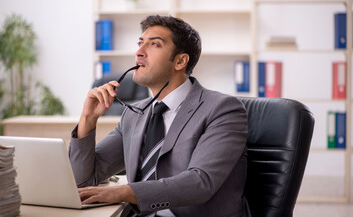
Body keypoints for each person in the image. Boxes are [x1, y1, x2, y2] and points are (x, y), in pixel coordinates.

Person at [69, 15, 251, 217]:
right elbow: (82, 182)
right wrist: (88, 119)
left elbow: (201, 182)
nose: (139, 52)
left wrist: (124, 192)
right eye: (140, 43)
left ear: (180, 61)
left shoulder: (222, 109)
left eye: (154, 44)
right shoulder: (134, 114)